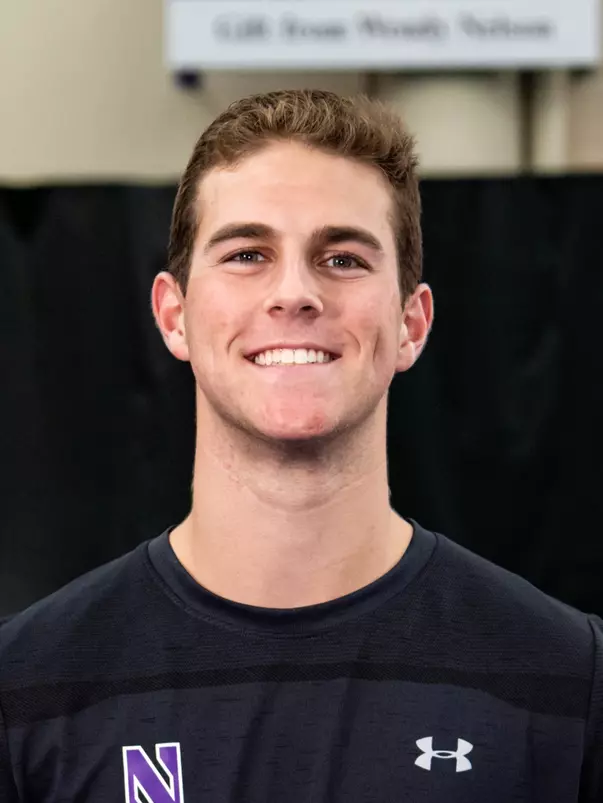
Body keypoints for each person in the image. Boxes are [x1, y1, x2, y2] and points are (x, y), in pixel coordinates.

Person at [0, 89, 601, 802]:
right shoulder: (29, 683)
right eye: (248, 252)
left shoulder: (567, 678)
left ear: (411, 323)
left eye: (342, 257)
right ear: (174, 314)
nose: (294, 293)